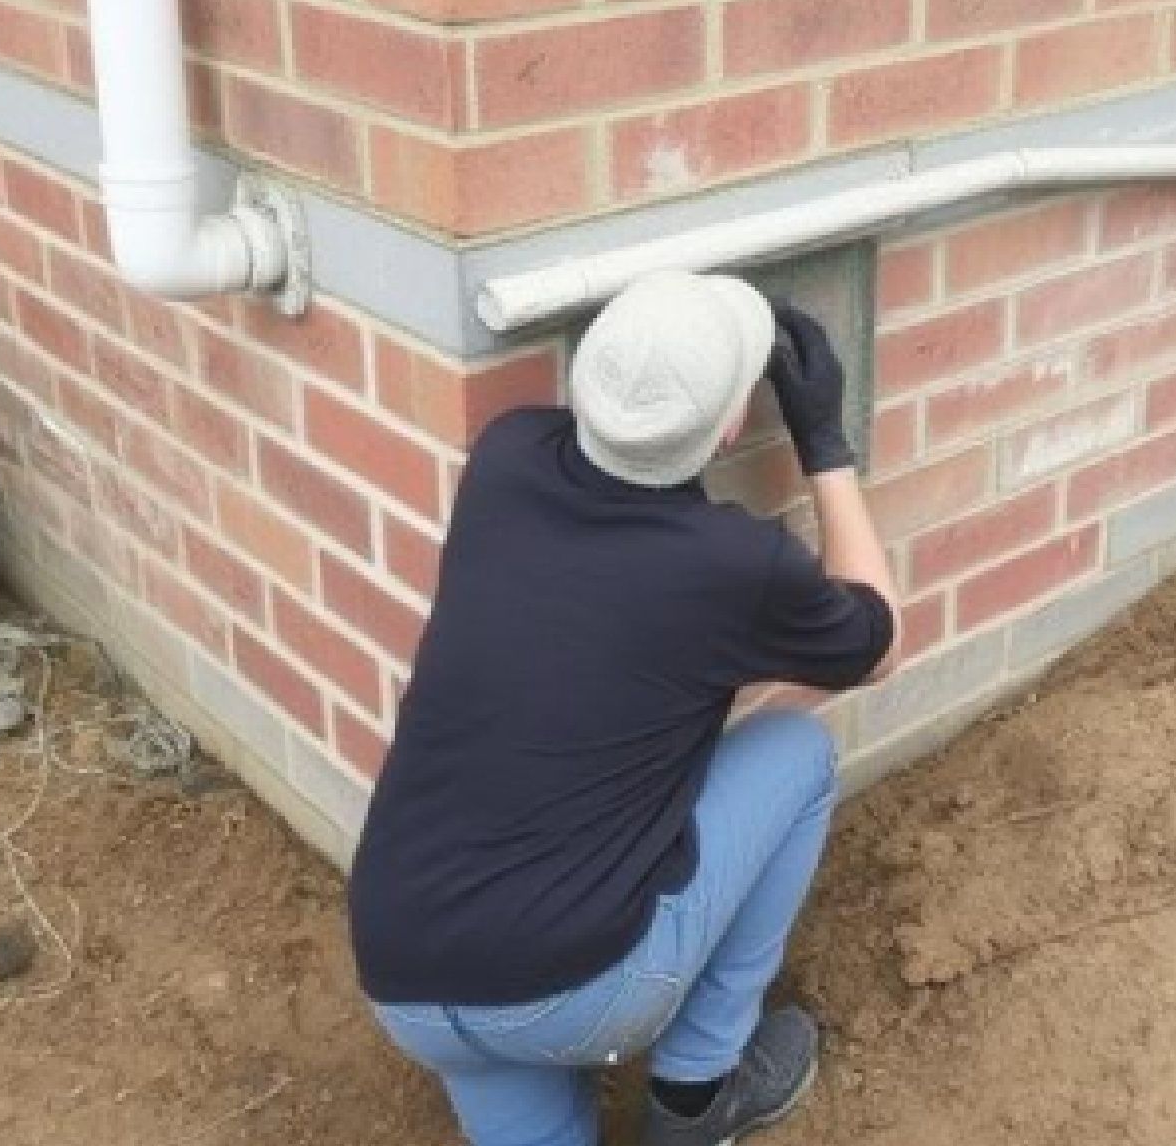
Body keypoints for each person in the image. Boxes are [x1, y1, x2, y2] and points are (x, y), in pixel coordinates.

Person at [347, 269, 904, 1146]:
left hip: (401, 966)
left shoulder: (505, 458)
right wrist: (825, 444)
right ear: (727, 428)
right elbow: (876, 646)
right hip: (575, 995)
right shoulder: (730, 565)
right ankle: (697, 1096)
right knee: (797, 755)